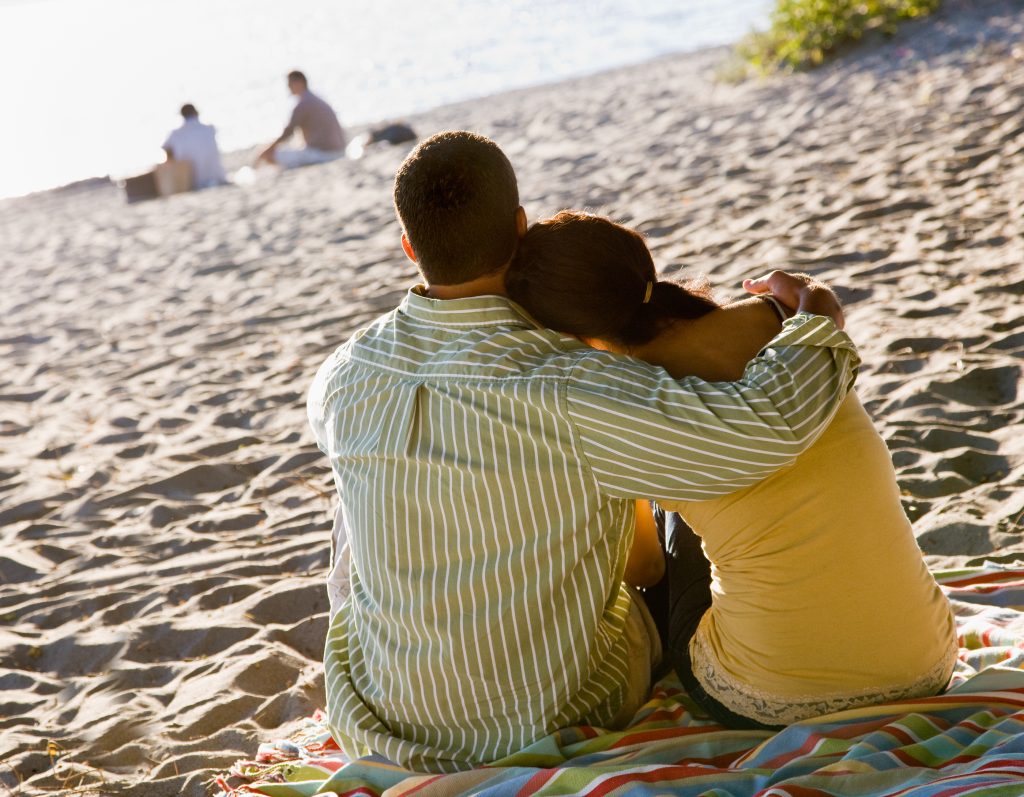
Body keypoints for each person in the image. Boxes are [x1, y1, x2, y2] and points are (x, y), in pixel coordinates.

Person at [306, 130, 861, 773]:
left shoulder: (343, 374)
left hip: (379, 714)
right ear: (521, 228)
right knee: (660, 484)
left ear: (409, 248)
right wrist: (818, 315)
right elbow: (769, 425)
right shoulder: (567, 381)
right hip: (557, 711)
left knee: (358, 483)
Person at [505, 210, 958, 730]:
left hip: (775, 692)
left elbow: (647, 570)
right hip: (928, 660)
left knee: (670, 514)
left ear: (564, 334)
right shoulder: (781, 321)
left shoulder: (626, 407)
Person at [258, 70, 346, 169]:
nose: (288, 87)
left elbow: (288, 132)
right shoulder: (314, 99)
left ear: (299, 82)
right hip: (339, 150)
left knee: (270, 155)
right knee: (293, 147)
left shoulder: (303, 104)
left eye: (290, 83)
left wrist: (267, 149)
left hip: (325, 154)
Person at [162, 103, 227, 189]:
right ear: (196, 112)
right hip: (219, 178)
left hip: (193, 183)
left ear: (182, 116)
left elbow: (166, 149)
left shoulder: (176, 134)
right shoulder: (210, 129)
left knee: (171, 157)